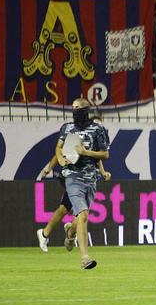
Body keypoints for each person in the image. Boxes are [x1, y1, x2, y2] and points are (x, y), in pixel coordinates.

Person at [55, 98, 110, 270]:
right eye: (72, 108)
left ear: (85, 110)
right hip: (72, 176)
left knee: (80, 217)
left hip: (90, 178)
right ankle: (85, 258)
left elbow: (104, 154)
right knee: (84, 214)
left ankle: (70, 232)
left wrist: (86, 152)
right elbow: (59, 147)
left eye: (77, 108)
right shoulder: (67, 128)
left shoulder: (98, 129)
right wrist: (60, 158)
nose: (74, 111)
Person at [36, 135, 111, 253]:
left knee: (65, 209)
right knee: (79, 212)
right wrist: (49, 168)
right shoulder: (76, 137)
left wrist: (103, 172)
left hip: (88, 180)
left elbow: (98, 159)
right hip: (75, 180)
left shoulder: (92, 141)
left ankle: (50, 233)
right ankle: (67, 233)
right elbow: (60, 152)